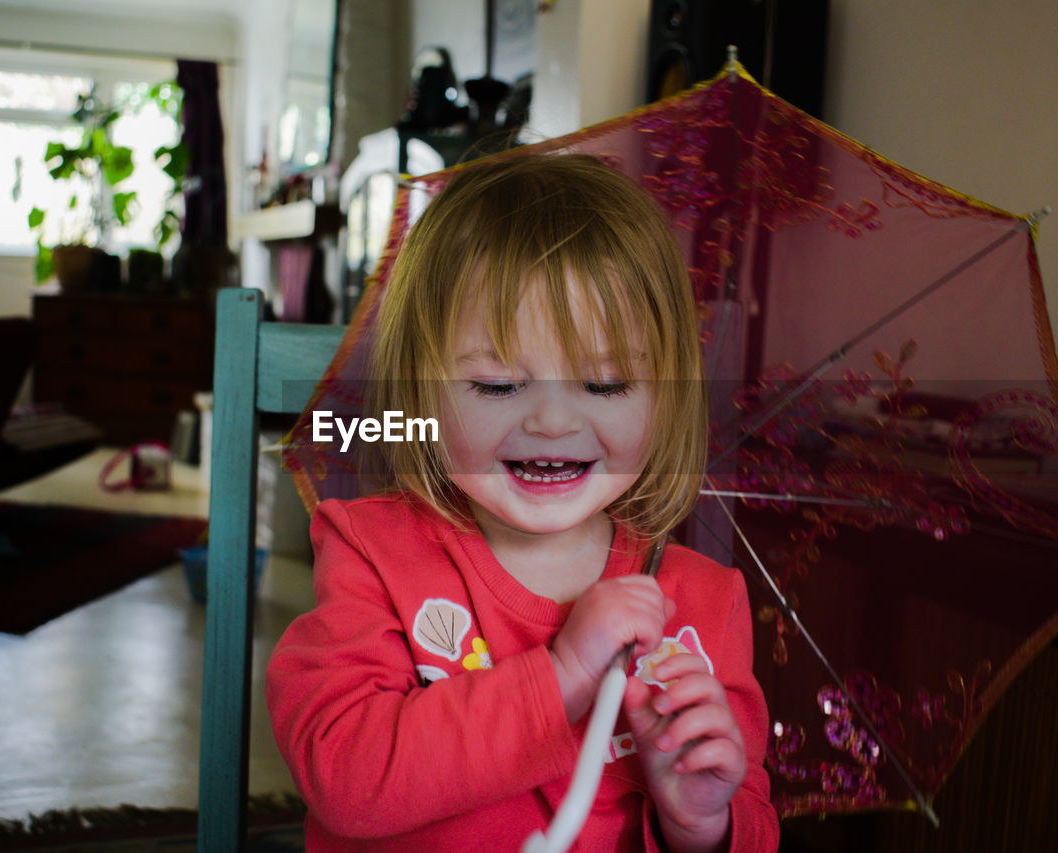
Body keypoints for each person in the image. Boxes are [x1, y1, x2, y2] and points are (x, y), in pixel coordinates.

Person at [266, 153, 779, 851]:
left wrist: (700, 823)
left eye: (605, 387)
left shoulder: (703, 603)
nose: (553, 424)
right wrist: (562, 675)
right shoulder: (373, 552)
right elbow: (345, 778)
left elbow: (750, 817)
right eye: (499, 386)